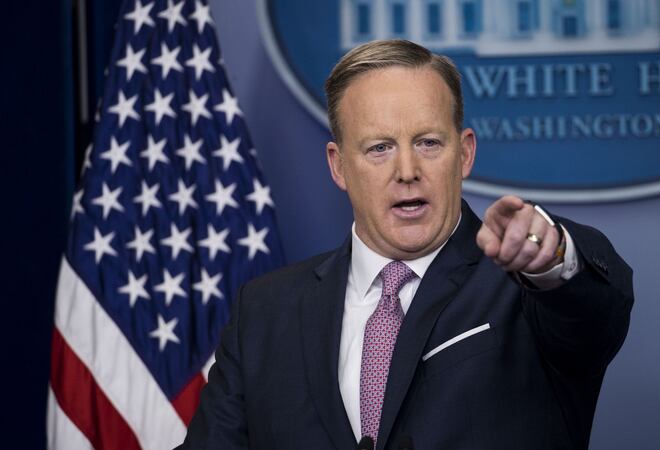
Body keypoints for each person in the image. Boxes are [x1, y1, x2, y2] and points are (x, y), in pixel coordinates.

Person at [180, 39, 633, 450]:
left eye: (429, 142)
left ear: (465, 153)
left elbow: (593, 313)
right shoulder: (264, 311)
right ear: (338, 166)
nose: (407, 170)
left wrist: (549, 258)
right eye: (379, 147)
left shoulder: (523, 286)